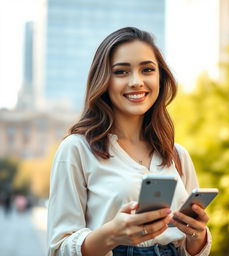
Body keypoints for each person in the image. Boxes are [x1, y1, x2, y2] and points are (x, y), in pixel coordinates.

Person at [47, 27, 212, 256]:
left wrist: (198, 236)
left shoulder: (176, 155)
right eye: (121, 72)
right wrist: (111, 234)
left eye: (147, 69)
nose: (136, 81)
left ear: (160, 77)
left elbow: (188, 249)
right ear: (104, 80)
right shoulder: (76, 149)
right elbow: (58, 249)